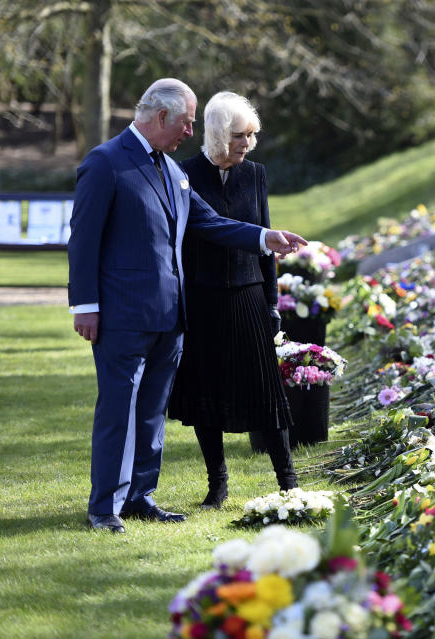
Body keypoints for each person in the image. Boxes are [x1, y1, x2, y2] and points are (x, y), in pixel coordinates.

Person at [68, 78, 307, 534]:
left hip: (171, 318)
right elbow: (83, 242)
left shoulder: (172, 171)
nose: (190, 133)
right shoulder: (105, 164)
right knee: (118, 409)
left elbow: (210, 222)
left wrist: (264, 238)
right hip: (122, 318)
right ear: (161, 117)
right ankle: (104, 508)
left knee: (152, 412)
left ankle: (140, 496)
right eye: (186, 122)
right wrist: (85, 306)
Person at [167, 92, 297, 510]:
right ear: (220, 134)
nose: (248, 144)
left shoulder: (255, 174)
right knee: (207, 396)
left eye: (252, 135)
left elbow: (265, 239)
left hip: (248, 296)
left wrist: (273, 301)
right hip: (202, 299)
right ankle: (217, 485)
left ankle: (288, 483)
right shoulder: (184, 174)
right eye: (241, 135)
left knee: (266, 393)